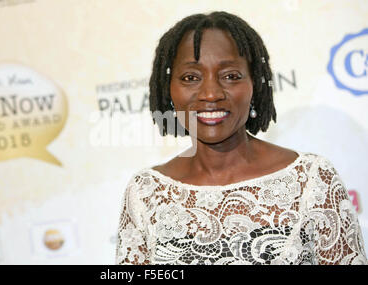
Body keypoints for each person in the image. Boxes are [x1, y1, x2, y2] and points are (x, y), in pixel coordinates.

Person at [115, 11, 367, 265]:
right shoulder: (146, 193)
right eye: (191, 77)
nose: (211, 94)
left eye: (230, 76)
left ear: (255, 85)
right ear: (168, 88)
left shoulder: (312, 180)